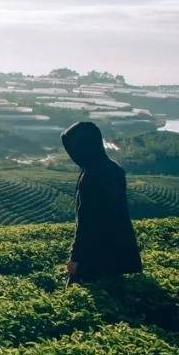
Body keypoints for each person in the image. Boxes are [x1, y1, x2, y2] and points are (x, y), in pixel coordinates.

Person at [60, 121, 142, 284]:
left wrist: (75, 258)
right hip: (121, 253)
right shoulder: (114, 169)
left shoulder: (90, 177)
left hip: (94, 257)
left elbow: (86, 223)